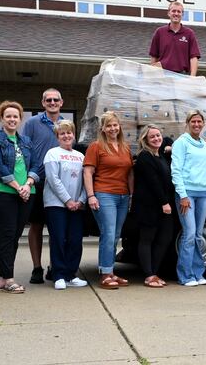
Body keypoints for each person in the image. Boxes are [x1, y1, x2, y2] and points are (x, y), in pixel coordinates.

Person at [0, 101, 39, 293]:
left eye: (15, 116)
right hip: (3, 193)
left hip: (26, 193)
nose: (12, 119)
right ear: (1, 118)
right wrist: (18, 187)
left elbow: (35, 165)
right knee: (7, 235)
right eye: (8, 116)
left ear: (20, 119)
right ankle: (8, 279)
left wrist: (28, 184)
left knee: (14, 236)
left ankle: (3, 278)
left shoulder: (26, 141)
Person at [83, 111, 134, 290]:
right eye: (109, 126)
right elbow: (87, 172)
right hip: (104, 194)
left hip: (123, 196)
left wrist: (131, 195)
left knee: (116, 235)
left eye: (115, 125)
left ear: (119, 126)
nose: (112, 128)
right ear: (103, 129)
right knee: (109, 233)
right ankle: (105, 274)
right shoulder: (96, 146)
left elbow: (130, 173)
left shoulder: (125, 147)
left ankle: (110, 271)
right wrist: (91, 196)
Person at [22, 88, 64, 284]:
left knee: (57, 228)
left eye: (55, 100)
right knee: (37, 225)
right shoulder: (32, 123)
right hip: (38, 181)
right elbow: (25, 150)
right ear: (43, 103)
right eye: (49, 100)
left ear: (61, 102)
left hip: (60, 184)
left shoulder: (65, 125)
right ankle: (37, 267)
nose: (52, 102)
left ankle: (55, 266)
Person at [43, 120, 88, 290]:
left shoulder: (81, 156)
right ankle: (59, 275)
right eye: (62, 133)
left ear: (74, 135)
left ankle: (71, 274)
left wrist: (81, 200)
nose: (66, 136)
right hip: (56, 205)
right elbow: (53, 180)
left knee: (75, 240)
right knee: (58, 239)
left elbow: (86, 181)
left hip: (77, 205)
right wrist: (68, 200)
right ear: (57, 137)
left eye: (69, 132)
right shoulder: (52, 154)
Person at [171, 111, 206, 286]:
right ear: (187, 123)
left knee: (198, 235)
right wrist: (182, 195)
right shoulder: (181, 142)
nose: (196, 124)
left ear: (203, 124)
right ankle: (185, 276)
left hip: (203, 192)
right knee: (188, 234)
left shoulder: (204, 145)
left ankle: (198, 273)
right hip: (187, 193)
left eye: (199, 121)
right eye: (193, 121)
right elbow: (176, 170)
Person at [132, 125, 175, 288]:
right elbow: (153, 182)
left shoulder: (160, 156)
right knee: (147, 239)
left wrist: (169, 146)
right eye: (152, 137)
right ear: (145, 140)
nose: (156, 138)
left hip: (162, 205)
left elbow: (169, 142)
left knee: (165, 238)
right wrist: (164, 202)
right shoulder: (145, 156)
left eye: (158, 135)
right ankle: (149, 275)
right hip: (149, 206)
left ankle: (154, 273)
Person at [148, 0, 201, 75]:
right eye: (173, 11)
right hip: (163, 75)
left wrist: (192, 77)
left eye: (179, 11)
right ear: (169, 13)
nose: (176, 13)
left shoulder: (189, 33)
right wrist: (151, 75)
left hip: (182, 76)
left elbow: (194, 58)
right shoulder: (159, 32)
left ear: (182, 14)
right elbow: (154, 56)